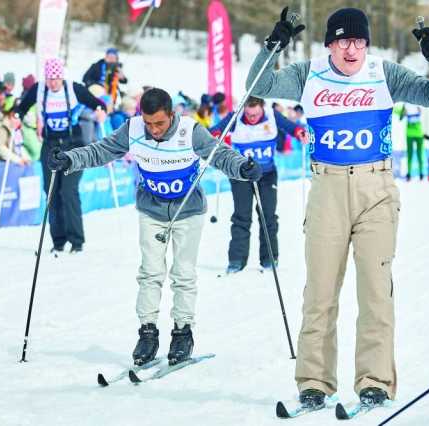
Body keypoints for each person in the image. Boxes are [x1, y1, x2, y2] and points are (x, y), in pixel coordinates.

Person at [247, 7, 429, 408]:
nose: (351, 48)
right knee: (320, 292)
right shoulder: (309, 74)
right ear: (330, 44)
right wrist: (273, 46)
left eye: (358, 40)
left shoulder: (383, 72)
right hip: (327, 187)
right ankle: (314, 381)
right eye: (342, 40)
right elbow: (259, 84)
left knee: (376, 292)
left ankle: (374, 380)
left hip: (376, 187)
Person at [46, 87, 260, 366]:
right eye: (148, 123)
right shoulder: (133, 128)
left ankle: (183, 332)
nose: (154, 129)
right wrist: (70, 159)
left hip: (187, 210)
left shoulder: (190, 131)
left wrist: (243, 168)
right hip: (151, 209)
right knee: (150, 272)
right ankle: (147, 333)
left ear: (172, 115)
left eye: (159, 123)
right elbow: (103, 150)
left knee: (183, 273)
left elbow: (219, 154)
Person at [16, 57, 106, 254]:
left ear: (62, 77)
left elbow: (98, 103)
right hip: (50, 146)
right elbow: (21, 108)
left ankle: (77, 241)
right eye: (50, 79)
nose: (53, 83)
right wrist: (17, 118)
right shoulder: (39, 90)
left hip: (73, 146)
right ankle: (58, 241)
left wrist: (101, 111)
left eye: (56, 79)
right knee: (51, 193)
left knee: (68, 191)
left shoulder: (74, 89)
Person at [210, 96, 307, 273]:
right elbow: (215, 130)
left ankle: (269, 259)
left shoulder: (272, 115)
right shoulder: (236, 116)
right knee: (241, 216)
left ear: (262, 107)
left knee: (268, 216)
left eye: (255, 114)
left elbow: (292, 127)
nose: (252, 118)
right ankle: (236, 261)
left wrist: (299, 132)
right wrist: (216, 135)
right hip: (241, 175)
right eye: (249, 114)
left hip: (267, 174)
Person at [397, 103, 424, 180]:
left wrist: (420, 111)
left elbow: (424, 114)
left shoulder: (419, 101)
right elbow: (400, 118)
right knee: (410, 154)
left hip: (419, 133)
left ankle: (421, 173)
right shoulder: (405, 104)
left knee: (420, 154)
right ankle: (409, 174)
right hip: (410, 133)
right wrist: (403, 113)